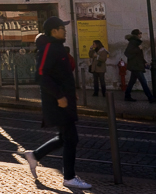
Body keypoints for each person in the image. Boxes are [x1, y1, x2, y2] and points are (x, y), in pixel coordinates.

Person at [24, 16, 92, 190]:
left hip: (64, 100)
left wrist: (71, 93)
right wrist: (59, 96)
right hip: (57, 102)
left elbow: (62, 75)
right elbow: (41, 75)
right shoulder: (48, 48)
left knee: (65, 138)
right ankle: (68, 177)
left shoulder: (57, 47)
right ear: (54, 31)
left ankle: (35, 155)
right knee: (71, 138)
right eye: (62, 28)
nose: (65, 30)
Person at [124, 29, 154, 102]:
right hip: (136, 66)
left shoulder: (135, 42)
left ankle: (127, 96)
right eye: (140, 33)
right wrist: (138, 49)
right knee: (143, 82)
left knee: (132, 82)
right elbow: (127, 52)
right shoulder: (133, 42)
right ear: (137, 35)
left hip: (136, 65)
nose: (141, 35)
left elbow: (138, 55)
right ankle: (150, 97)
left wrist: (144, 62)